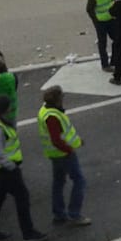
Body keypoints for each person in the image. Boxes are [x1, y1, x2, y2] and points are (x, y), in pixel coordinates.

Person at [0, 94, 48, 241]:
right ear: (5, 109)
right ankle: (28, 232)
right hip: (5, 171)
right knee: (22, 199)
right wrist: (12, 167)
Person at [37, 86, 90, 226]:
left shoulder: (45, 111)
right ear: (58, 99)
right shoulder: (53, 116)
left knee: (58, 182)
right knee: (79, 181)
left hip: (55, 154)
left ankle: (59, 213)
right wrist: (69, 149)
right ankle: (74, 214)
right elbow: (57, 139)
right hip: (63, 154)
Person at [85, 0, 116, 71]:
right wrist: (96, 21)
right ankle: (105, 65)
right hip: (101, 22)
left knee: (118, 39)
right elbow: (89, 9)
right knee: (102, 43)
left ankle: (114, 61)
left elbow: (113, 0)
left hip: (111, 19)